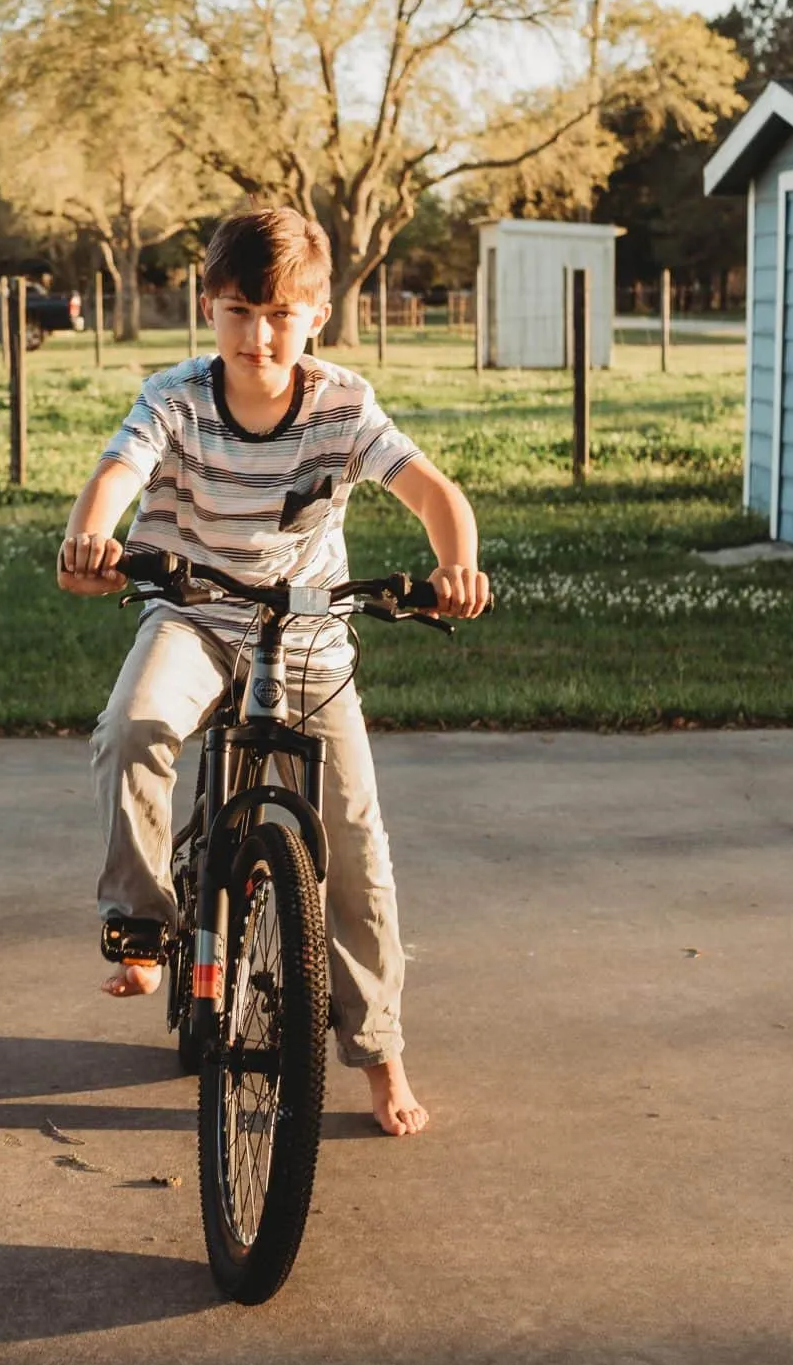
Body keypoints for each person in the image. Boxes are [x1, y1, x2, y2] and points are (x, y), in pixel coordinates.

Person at [56, 208, 491, 1135]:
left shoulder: (342, 403)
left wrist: (456, 566)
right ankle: (141, 921)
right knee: (132, 727)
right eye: (240, 312)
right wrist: (90, 536)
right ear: (208, 308)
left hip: (307, 637)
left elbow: (433, 494)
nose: (259, 335)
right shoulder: (175, 397)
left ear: (318, 315)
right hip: (192, 615)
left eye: (282, 314)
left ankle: (378, 1049)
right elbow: (117, 474)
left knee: (357, 843)